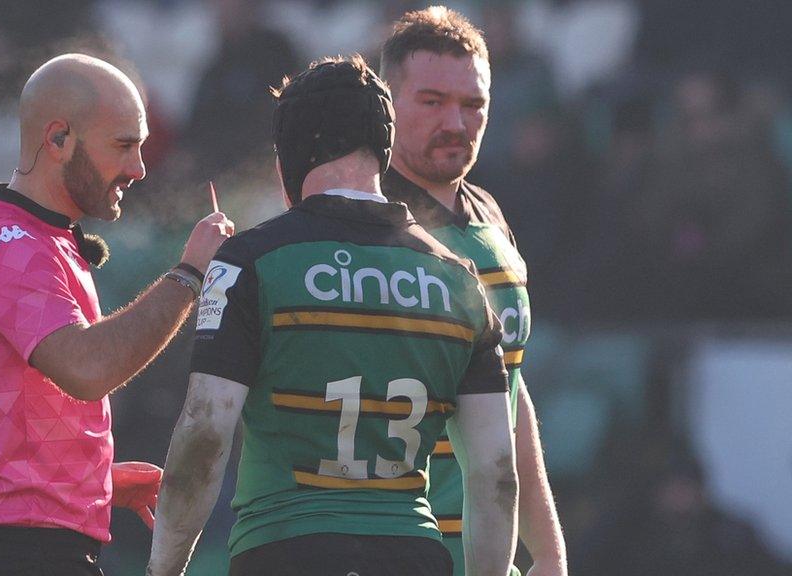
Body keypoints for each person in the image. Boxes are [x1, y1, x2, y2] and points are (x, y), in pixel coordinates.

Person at [147, 55, 518, 576]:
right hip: (413, 554)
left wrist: (162, 569)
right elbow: (497, 472)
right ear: (382, 154)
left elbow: (206, 431)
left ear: (291, 156)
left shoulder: (251, 261)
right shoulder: (461, 280)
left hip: (284, 549)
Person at [0, 53, 234, 576]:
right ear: (58, 140)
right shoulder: (11, 244)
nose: (139, 168)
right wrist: (189, 274)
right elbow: (87, 369)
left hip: (34, 547)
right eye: (123, 145)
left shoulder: (37, 240)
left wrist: (90, 478)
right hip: (20, 555)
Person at [378, 7, 567, 576]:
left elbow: (509, 388)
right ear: (386, 103)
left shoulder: (489, 213)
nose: (456, 123)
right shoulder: (356, 222)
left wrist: (551, 553)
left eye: (473, 104)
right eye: (432, 101)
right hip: (391, 549)